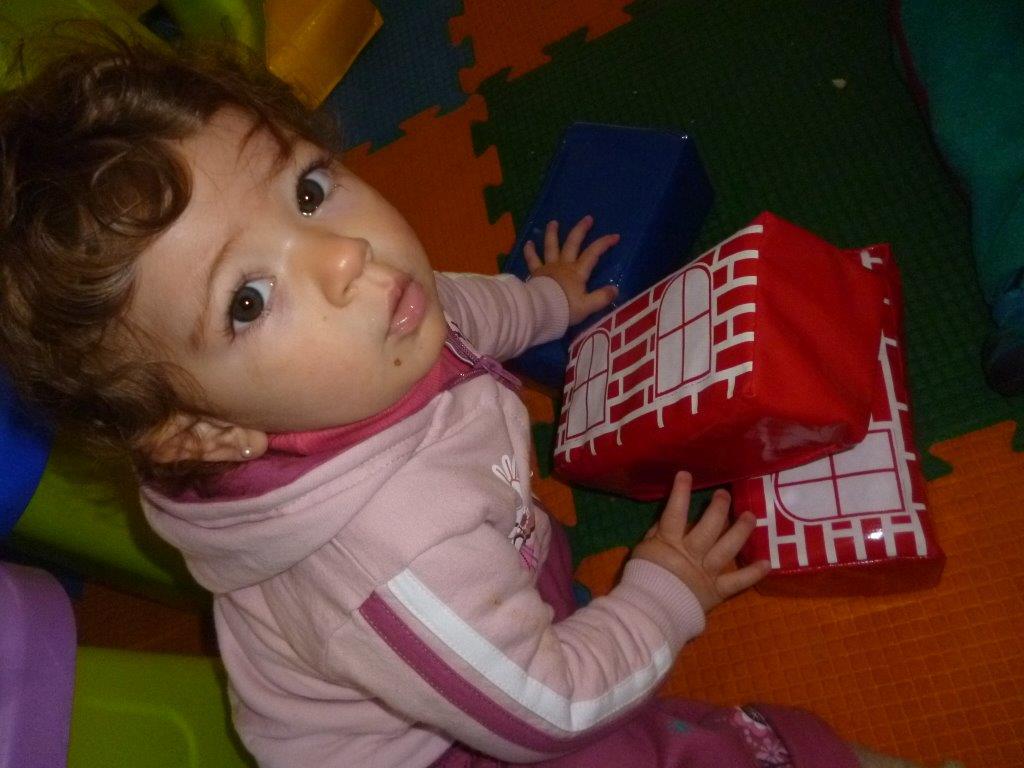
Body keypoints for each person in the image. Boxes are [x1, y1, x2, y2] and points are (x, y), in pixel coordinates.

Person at [0, 34, 960, 768]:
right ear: (210, 429)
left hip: (470, 602)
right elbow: (549, 709)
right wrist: (665, 591)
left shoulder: (371, 326)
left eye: (308, 191)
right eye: (247, 299)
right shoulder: (395, 558)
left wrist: (551, 301)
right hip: (452, 743)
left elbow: (466, 310)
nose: (345, 256)